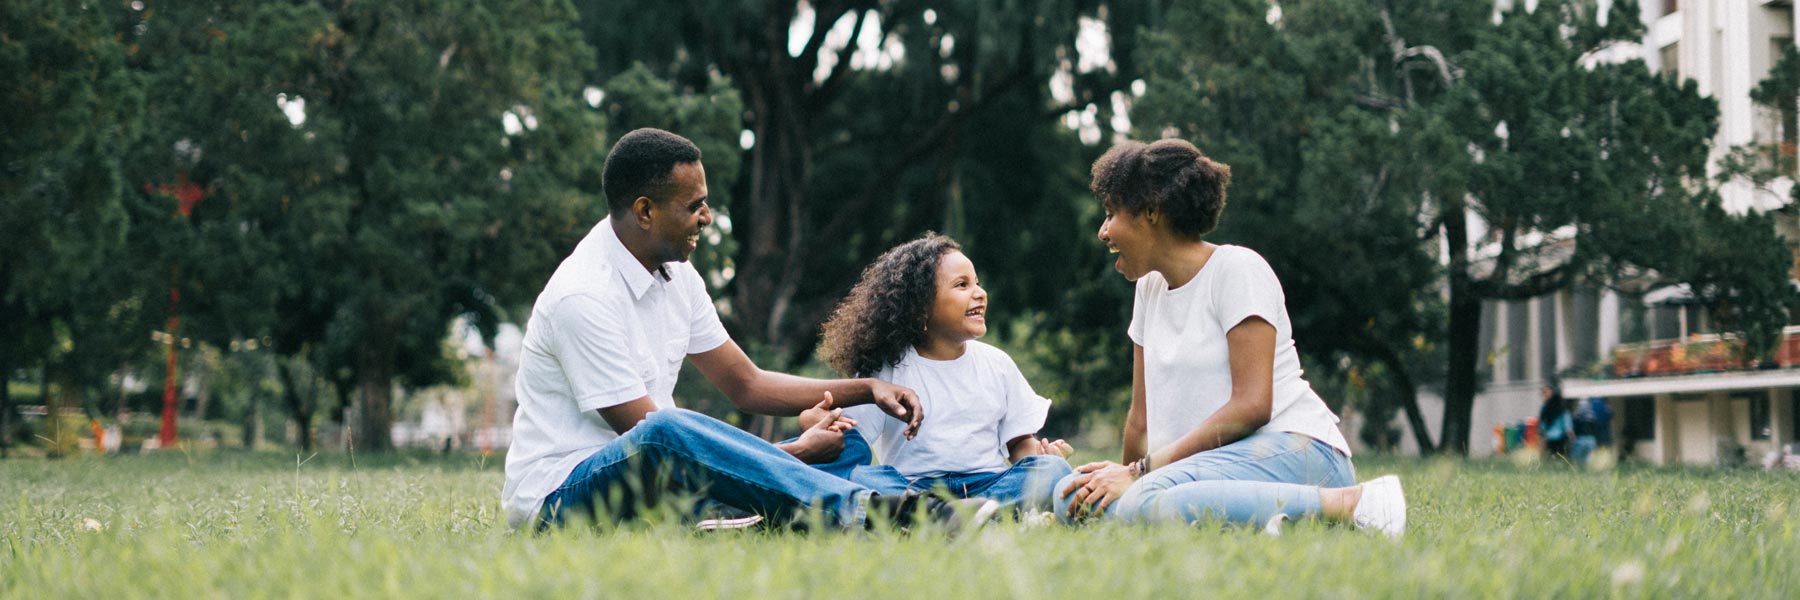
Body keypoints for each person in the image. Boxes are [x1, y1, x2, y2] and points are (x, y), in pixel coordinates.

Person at [501, 128, 998, 532]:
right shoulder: (583, 296)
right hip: (561, 496)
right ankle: (870, 511)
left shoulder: (678, 275)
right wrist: (791, 453)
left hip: (655, 480)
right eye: (693, 205)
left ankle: (757, 516)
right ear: (645, 211)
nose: (708, 217)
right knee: (665, 427)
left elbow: (747, 384)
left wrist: (866, 390)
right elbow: (652, 441)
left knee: (842, 447)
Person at [1055, 138, 1406, 538]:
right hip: (1207, 466)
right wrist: (1118, 480)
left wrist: (1140, 475)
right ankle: (1262, 520)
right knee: (1071, 499)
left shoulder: (1237, 270)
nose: (1103, 231)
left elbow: (1252, 406)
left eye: (1110, 213)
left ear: (1151, 210)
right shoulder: (1149, 290)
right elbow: (1140, 420)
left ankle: (1354, 502)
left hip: (1295, 449)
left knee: (1146, 500)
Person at [815, 233, 1075, 512]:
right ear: (919, 310)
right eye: (962, 285)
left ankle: (970, 513)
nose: (979, 293)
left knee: (1053, 470)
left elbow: (1020, 442)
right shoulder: (886, 369)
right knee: (862, 477)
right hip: (912, 489)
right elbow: (851, 441)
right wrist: (820, 421)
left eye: (977, 283)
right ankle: (945, 513)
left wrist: (1038, 458)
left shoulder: (997, 363)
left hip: (988, 484)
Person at [1538, 382, 1573, 459]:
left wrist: (1570, 434)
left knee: (1559, 458)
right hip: (1551, 439)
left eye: (1546, 392)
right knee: (1557, 459)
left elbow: (1566, 421)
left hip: (1560, 438)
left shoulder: (1558, 406)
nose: (1545, 395)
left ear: (1552, 392)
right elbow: (1542, 425)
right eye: (1543, 393)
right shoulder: (1546, 408)